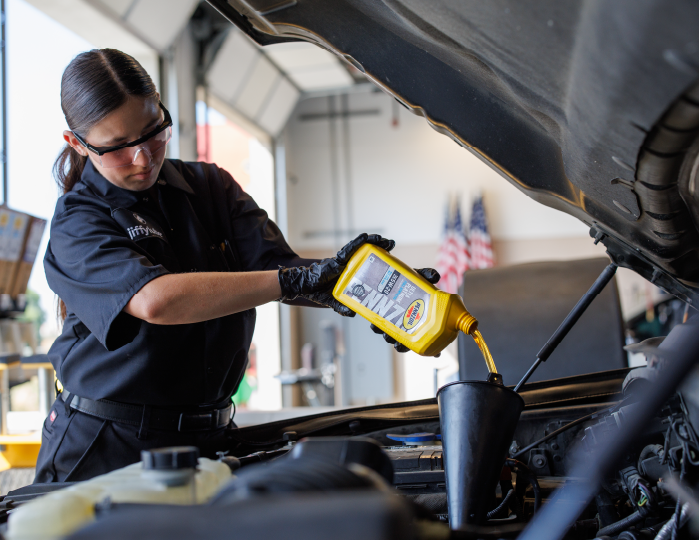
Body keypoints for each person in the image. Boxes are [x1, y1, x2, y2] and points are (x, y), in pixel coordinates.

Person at [36, 49, 438, 483]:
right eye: (117, 147)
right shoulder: (79, 221)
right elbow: (155, 301)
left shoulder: (210, 187)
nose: (142, 158)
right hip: (108, 447)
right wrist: (291, 281)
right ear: (77, 143)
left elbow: (282, 269)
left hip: (208, 442)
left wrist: (364, 291)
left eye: (153, 131)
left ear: (159, 102)